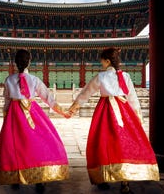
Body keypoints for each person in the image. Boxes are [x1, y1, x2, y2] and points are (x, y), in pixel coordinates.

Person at [68, 47, 159, 193]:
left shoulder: (101, 77)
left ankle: (103, 177)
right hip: (124, 112)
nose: (101, 64)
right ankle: (125, 182)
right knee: (124, 144)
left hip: (105, 113)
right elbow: (133, 98)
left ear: (107, 61)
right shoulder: (126, 77)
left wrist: (75, 106)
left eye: (102, 61)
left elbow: (87, 92)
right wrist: (137, 117)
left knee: (103, 143)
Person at [0, 49, 71, 192]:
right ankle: (39, 179)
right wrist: (62, 111)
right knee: (38, 143)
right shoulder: (35, 80)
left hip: (14, 115)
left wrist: (6, 118)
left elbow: (6, 101)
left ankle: (14, 177)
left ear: (15, 63)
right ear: (29, 62)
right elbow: (48, 98)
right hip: (32, 112)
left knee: (14, 146)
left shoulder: (9, 80)